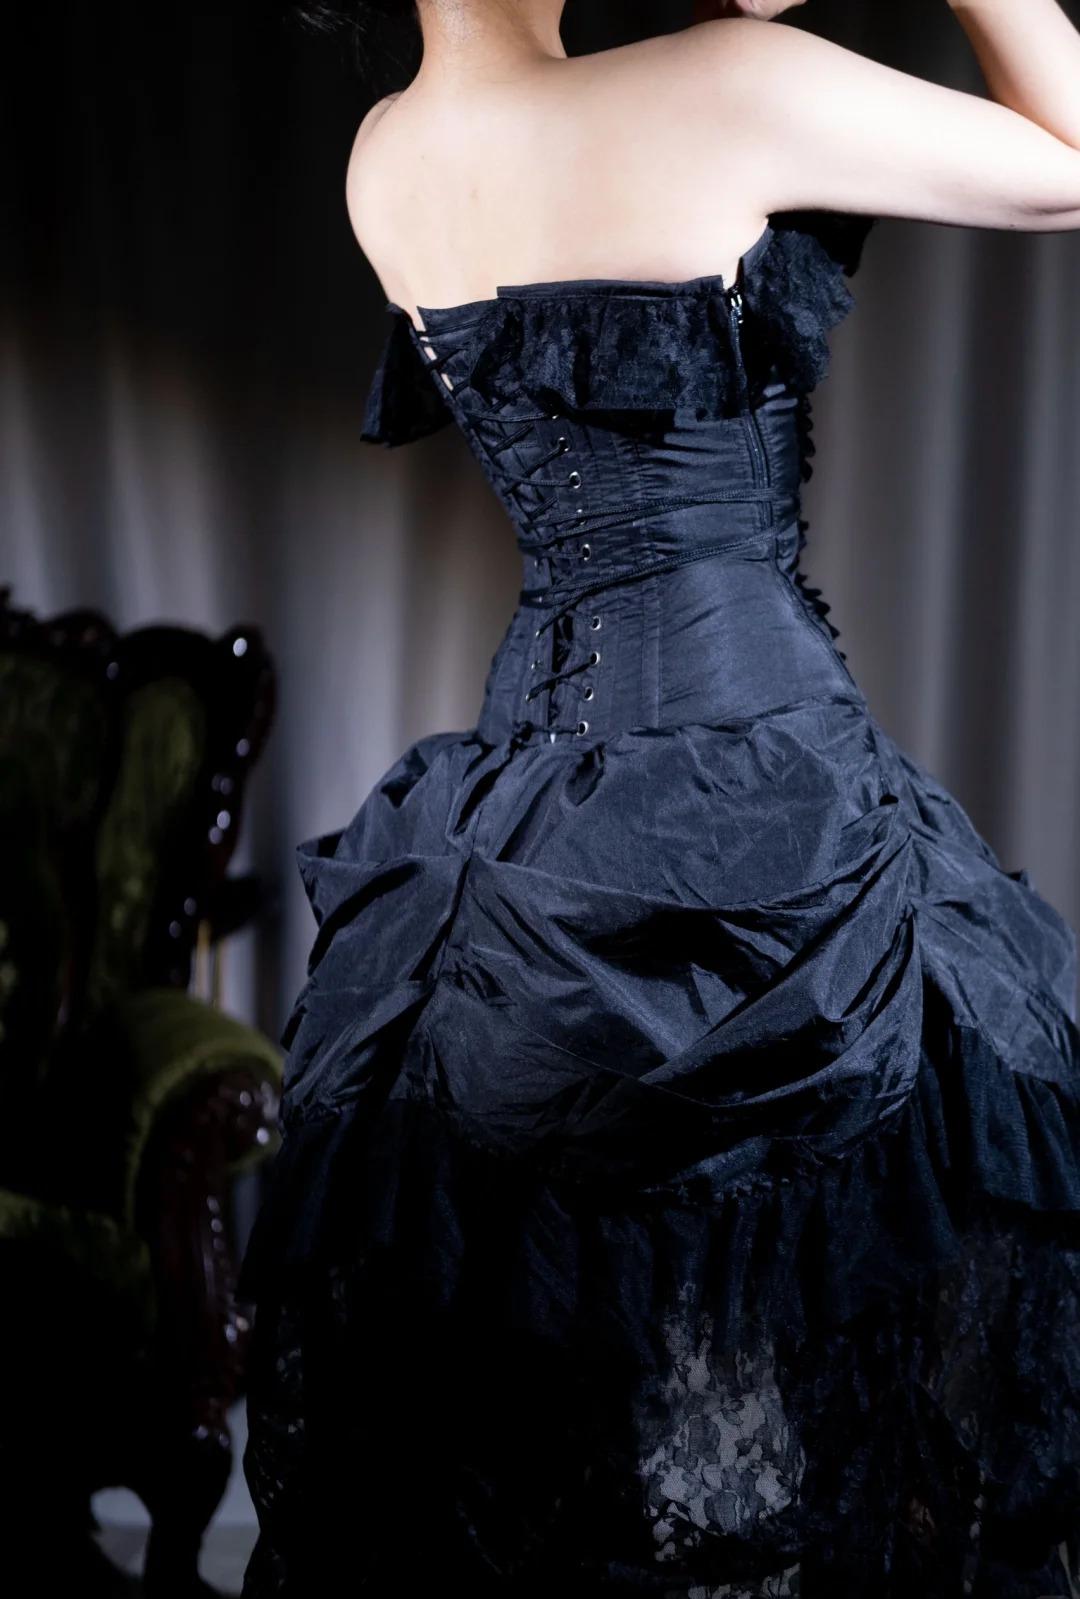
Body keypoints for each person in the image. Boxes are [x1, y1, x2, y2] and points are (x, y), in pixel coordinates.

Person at [238, 2, 1080, 1593]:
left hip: (520, 833)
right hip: (770, 812)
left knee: (566, 1412)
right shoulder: (728, 85)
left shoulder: (385, 157)